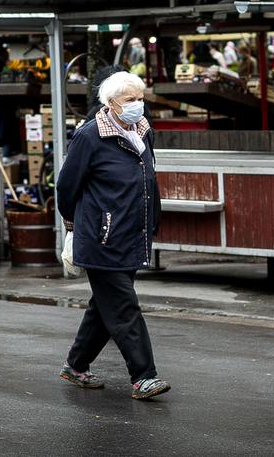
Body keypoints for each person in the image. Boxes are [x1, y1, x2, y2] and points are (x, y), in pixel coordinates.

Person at [56, 71, 169, 401]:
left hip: (133, 234)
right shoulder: (90, 136)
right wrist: (76, 224)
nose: (137, 105)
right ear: (109, 103)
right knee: (123, 307)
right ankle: (144, 376)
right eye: (129, 100)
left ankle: (76, 365)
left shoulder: (142, 131)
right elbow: (66, 187)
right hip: (101, 238)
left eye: (140, 98)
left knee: (104, 307)